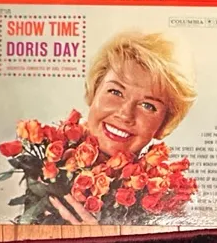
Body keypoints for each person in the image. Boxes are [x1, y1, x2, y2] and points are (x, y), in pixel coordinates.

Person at [50, 31, 197, 225]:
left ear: (163, 124)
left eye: (148, 105)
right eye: (116, 92)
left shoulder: (169, 210)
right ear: (94, 91)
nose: (125, 114)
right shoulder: (37, 168)